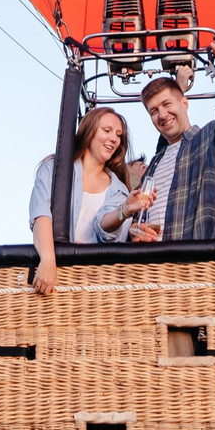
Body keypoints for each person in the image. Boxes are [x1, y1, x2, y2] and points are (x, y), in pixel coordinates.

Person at [126, 12, 215, 244]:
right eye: (154, 111)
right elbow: (139, 215)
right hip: (151, 266)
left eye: (166, 104)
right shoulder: (154, 163)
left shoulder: (208, 139)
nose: (162, 115)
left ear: (184, 102)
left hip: (191, 261)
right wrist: (136, 231)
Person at [28, 104, 135, 296]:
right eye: (107, 130)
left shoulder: (119, 191)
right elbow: (41, 214)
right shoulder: (54, 169)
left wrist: (125, 210)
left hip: (95, 283)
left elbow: (108, 233)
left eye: (119, 135)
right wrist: (48, 260)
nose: (114, 138)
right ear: (89, 130)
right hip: (54, 274)